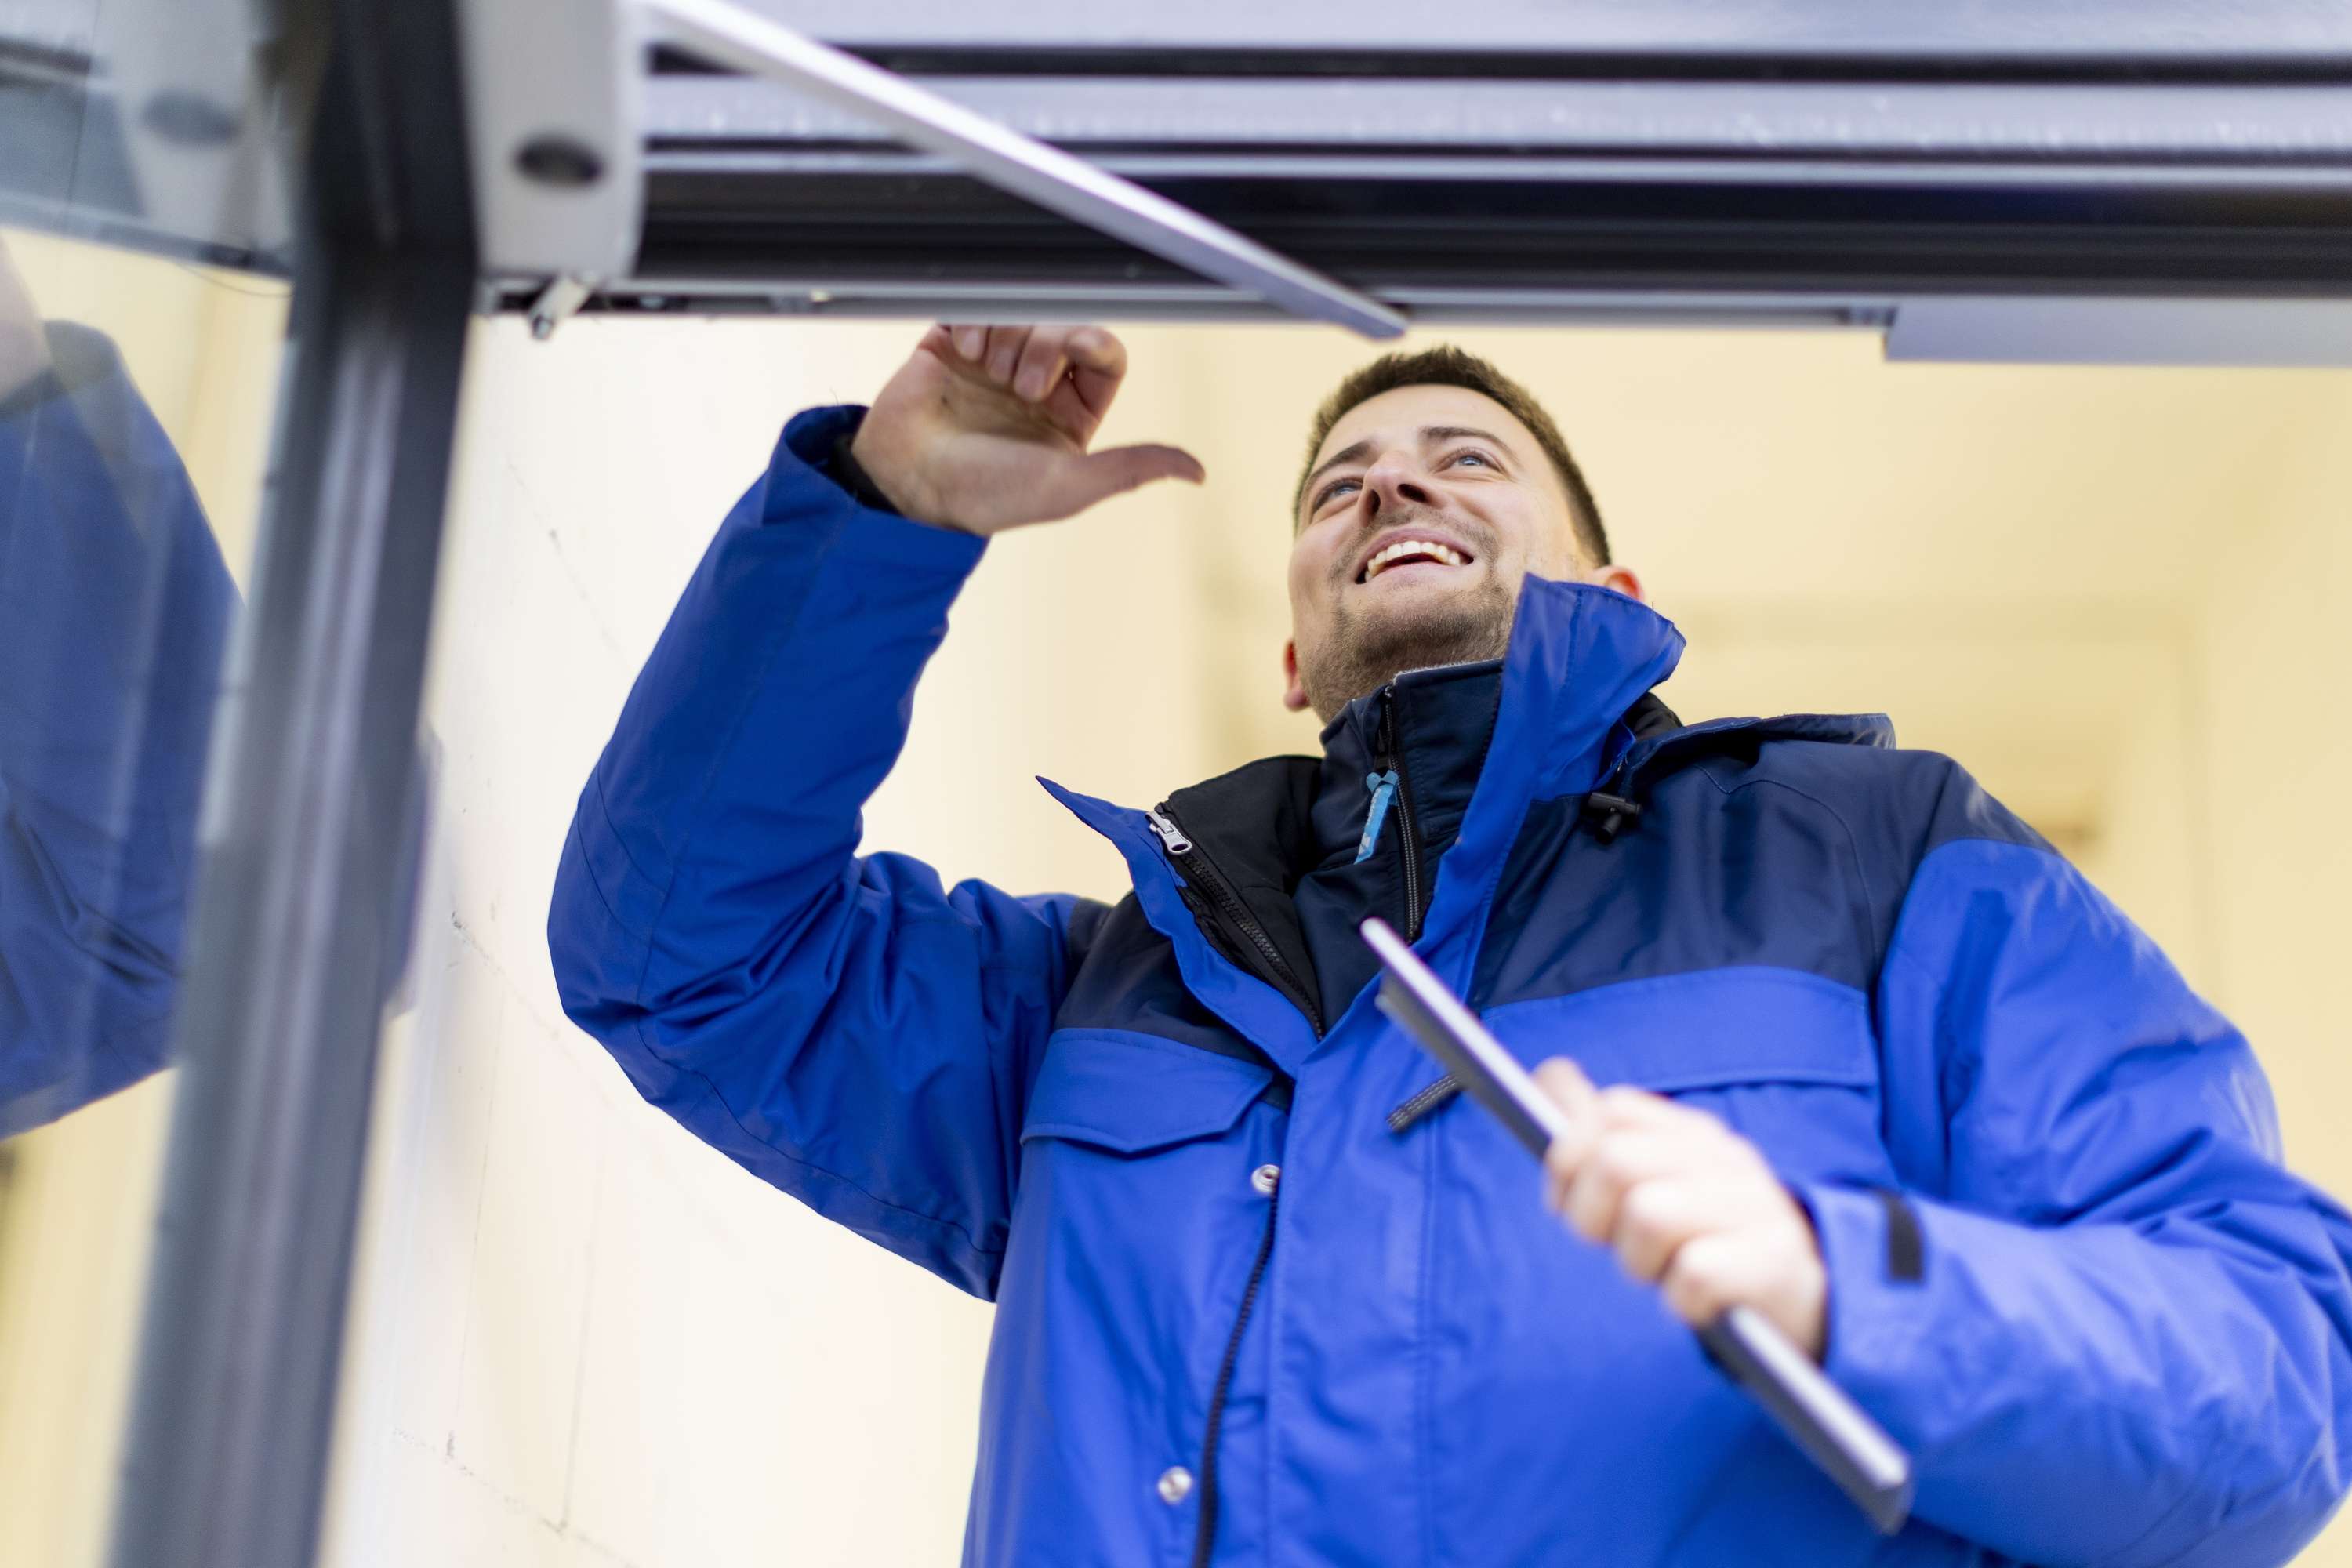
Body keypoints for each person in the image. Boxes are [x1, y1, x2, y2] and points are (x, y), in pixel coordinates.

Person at [548, 323, 2352, 1566]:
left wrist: (1844, 1280)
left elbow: (2269, 1364)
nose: (1390, 495)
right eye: (1338, 486)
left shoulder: (1883, 861)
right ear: (1291, 651)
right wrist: (887, 508)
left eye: (1462, 460)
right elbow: (688, 953)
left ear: (1619, 601)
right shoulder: (1108, 992)